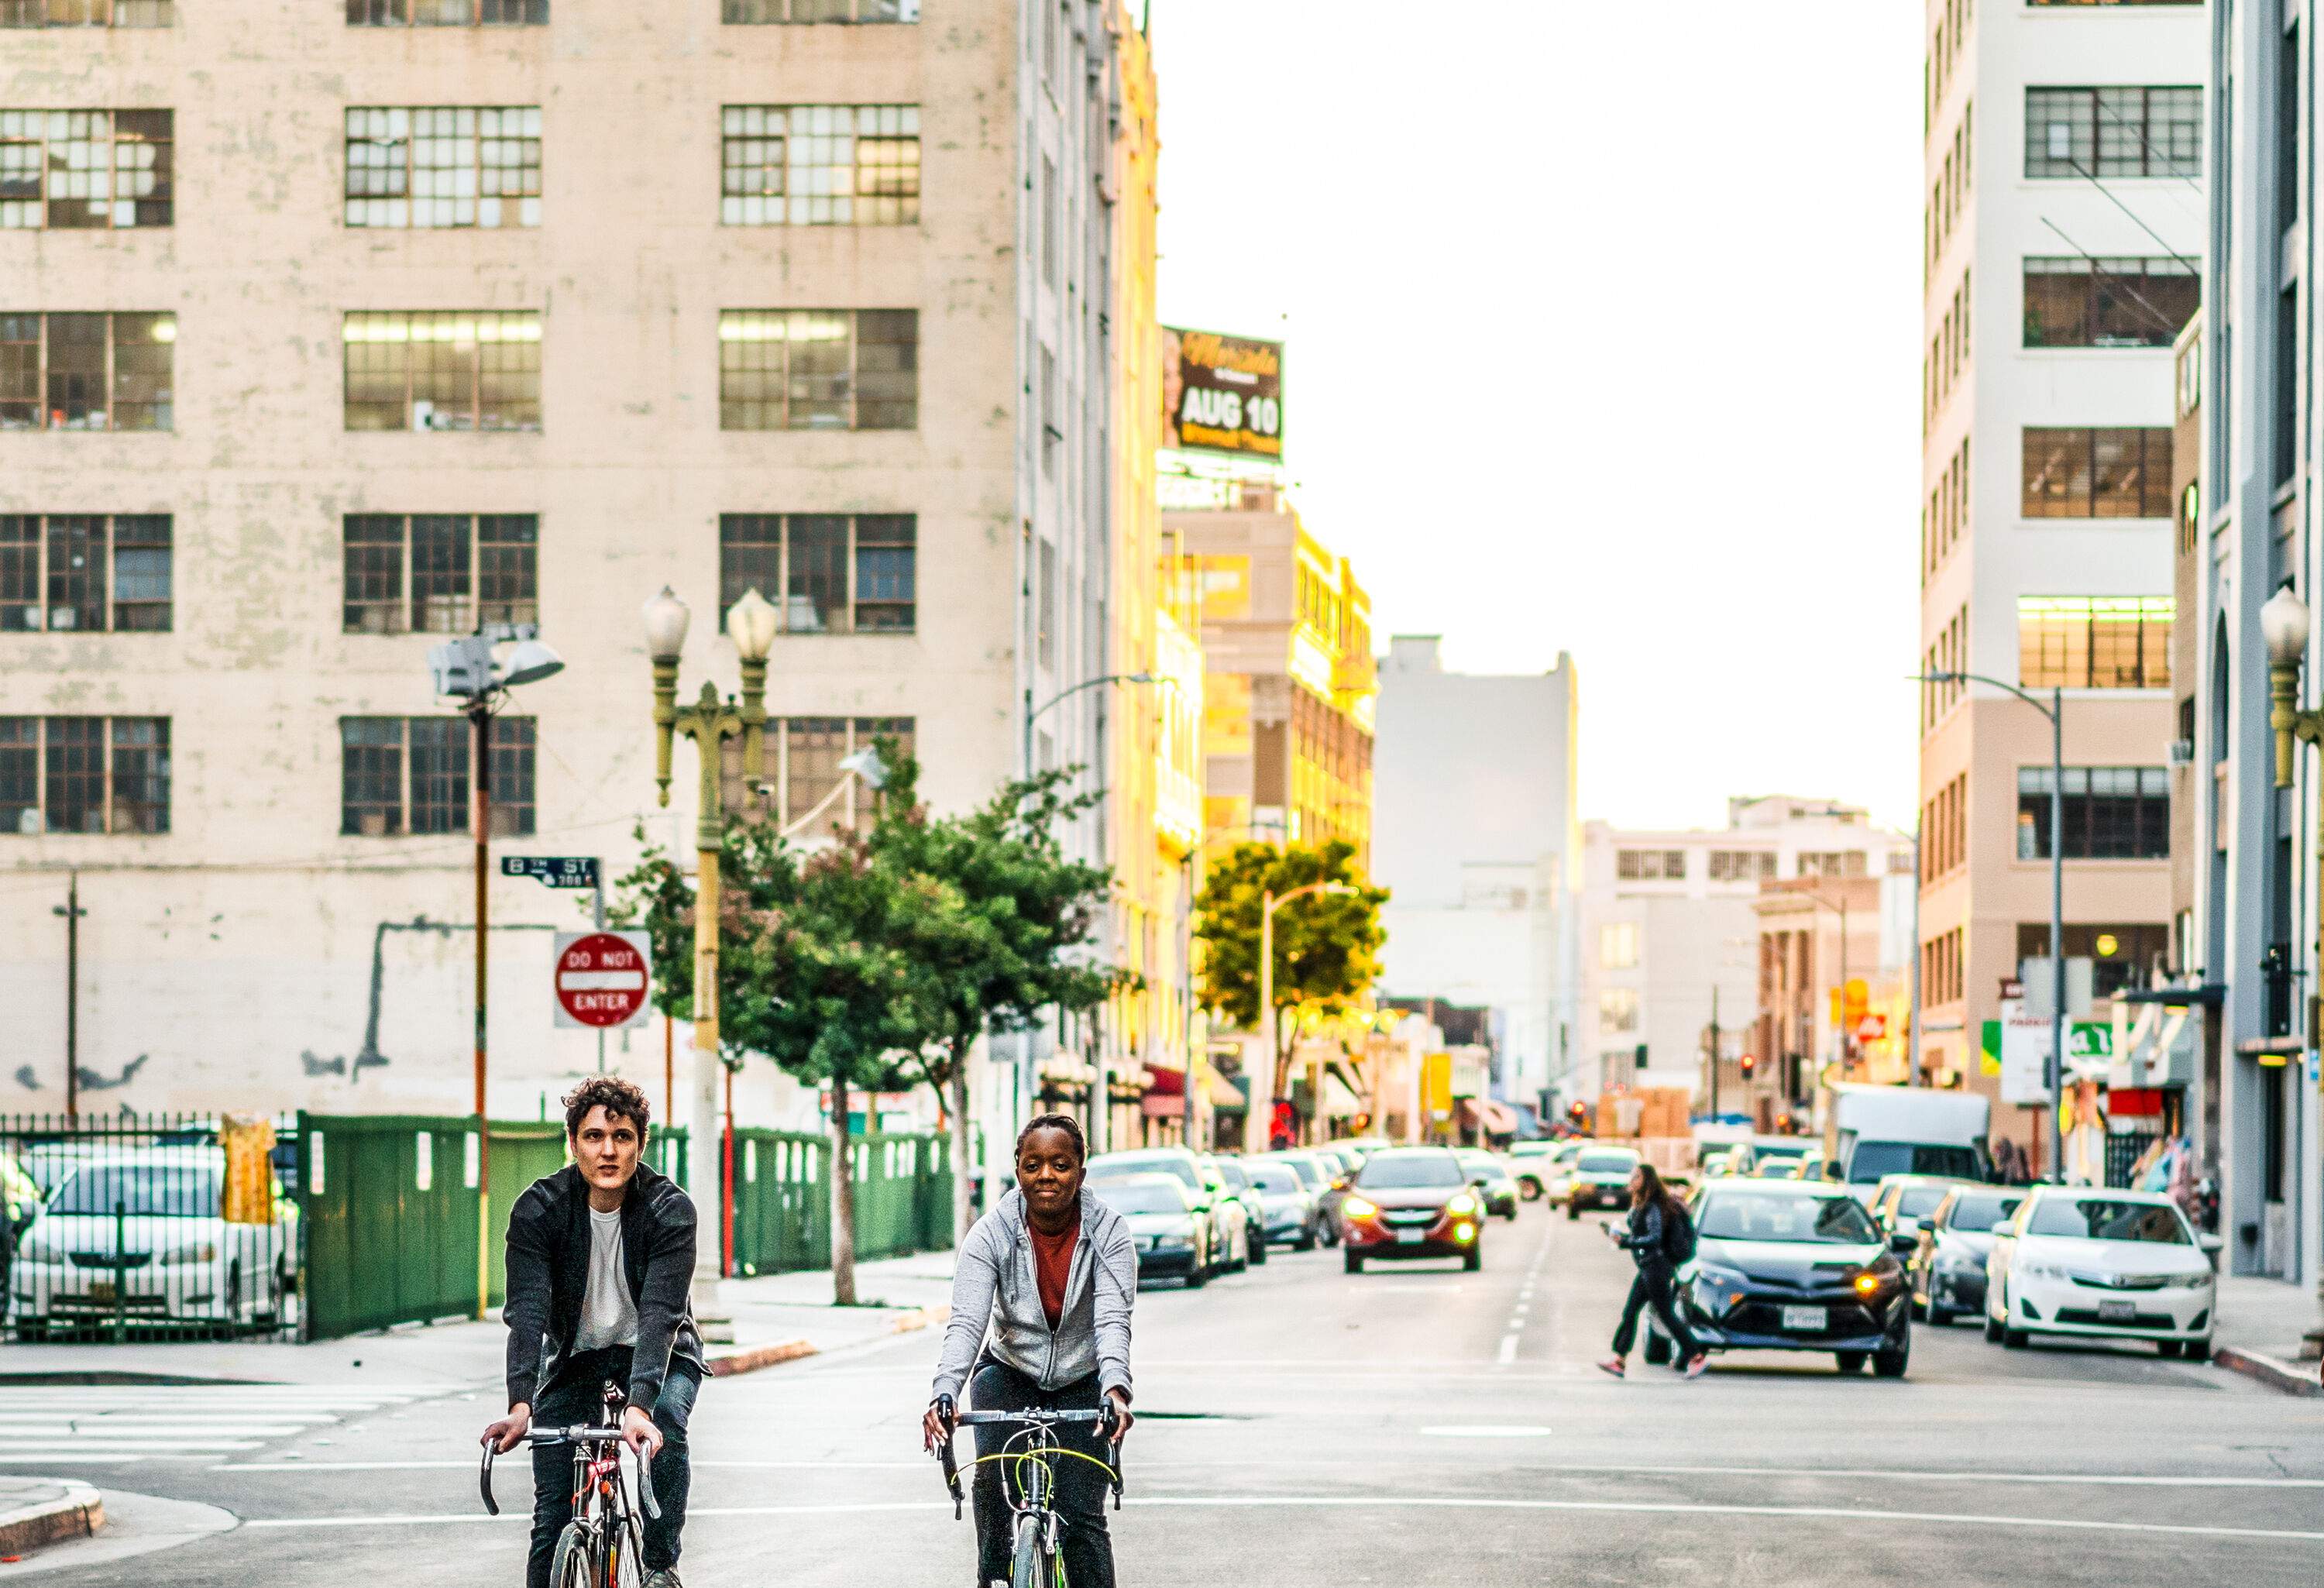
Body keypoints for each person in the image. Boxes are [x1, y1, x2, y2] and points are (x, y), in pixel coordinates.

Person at [483, 1078, 704, 1588]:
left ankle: (659, 1562)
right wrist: (521, 1404)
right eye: (594, 1135)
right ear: (573, 1142)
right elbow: (528, 1311)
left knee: (666, 1423)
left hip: (661, 1356)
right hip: (576, 1359)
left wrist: (640, 1405)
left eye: (622, 1136)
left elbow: (661, 1315)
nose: (608, 1150)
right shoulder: (539, 1210)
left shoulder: (669, 1211)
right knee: (551, 1520)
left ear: (641, 1145)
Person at [923, 1114, 1137, 1588]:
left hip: (1085, 1378)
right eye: (1033, 1164)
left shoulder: (1110, 1233)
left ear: (1081, 1171)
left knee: (1082, 1517)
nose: (1046, 1176)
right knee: (993, 1495)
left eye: (1060, 1164)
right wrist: (945, 1393)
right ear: (1017, 1169)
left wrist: (1116, 1389)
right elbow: (966, 1323)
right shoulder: (990, 1234)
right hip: (1008, 1370)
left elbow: (1112, 1320)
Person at [1596, 1162, 1709, 1380]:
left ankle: (1696, 1356)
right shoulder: (1646, 1204)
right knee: (1631, 1311)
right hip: (1650, 1268)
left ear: (1646, 1181)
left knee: (1666, 1314)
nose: (1631, 1180)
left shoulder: (1652, 1207)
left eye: (1636, 1177)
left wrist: (1626, 1241)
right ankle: (1619, 1360)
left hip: (1656, 1268)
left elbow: (1654, 1238)